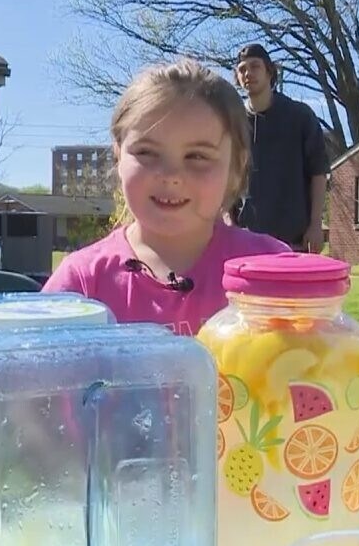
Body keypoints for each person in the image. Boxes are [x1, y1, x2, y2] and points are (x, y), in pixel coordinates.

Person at [43, 58, 290, 336]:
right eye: (147, 152)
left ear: (236, 166)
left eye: (197, 156)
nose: (171, 174)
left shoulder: (271, 268)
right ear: (117, 155)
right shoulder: (83, 282)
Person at [232, 44, 329, 252]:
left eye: (255, 66)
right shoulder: (233, 124)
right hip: (246, 244)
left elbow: (319, 173)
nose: (248, 73)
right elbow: (224, 178)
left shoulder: (300, 116)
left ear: (269, 72)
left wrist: (315, 224)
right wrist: (228, 222)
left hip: (293, 243)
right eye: (242, 69)